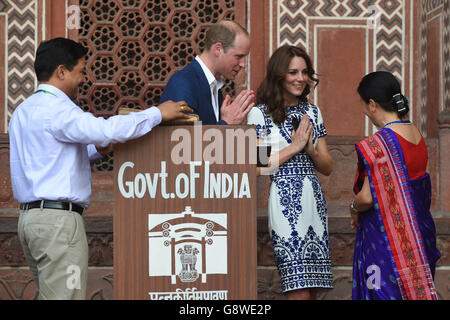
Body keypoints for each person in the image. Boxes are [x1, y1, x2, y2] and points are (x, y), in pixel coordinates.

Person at [9, 37, 192, 300]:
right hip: (58, 223)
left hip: (30, 221)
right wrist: (157, 113)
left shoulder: (23, 111)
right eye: (81, 71)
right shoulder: (58, 109)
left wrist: (99, 149)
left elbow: (54, 157)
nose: (83, 79)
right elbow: (105, 129)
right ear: (61, 71)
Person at [247, 45, 333, 300]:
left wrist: (310, 149)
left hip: (313, 201)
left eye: (305, 72)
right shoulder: (259, 113)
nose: (301, 78)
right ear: (279, 75)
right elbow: (258, 165)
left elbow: (327, 167)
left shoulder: (312, 112)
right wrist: (294, 148)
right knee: (299, 291)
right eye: (293, 72)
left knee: (313, 290)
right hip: (285, 203)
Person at [350, 71, 440, 300]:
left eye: (361, 104)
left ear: (372, 104)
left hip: (388, 244)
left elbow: (367, 198)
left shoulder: (380, 145)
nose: (362, 111)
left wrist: (353, 207)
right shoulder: (417, 135)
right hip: (421, 238)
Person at [160, 20, 255, 125]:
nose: (243, 64)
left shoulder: (214, 86)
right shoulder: (183, 84)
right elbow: (182, 139)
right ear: (218, 49)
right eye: (239, 56)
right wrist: (227, 122)